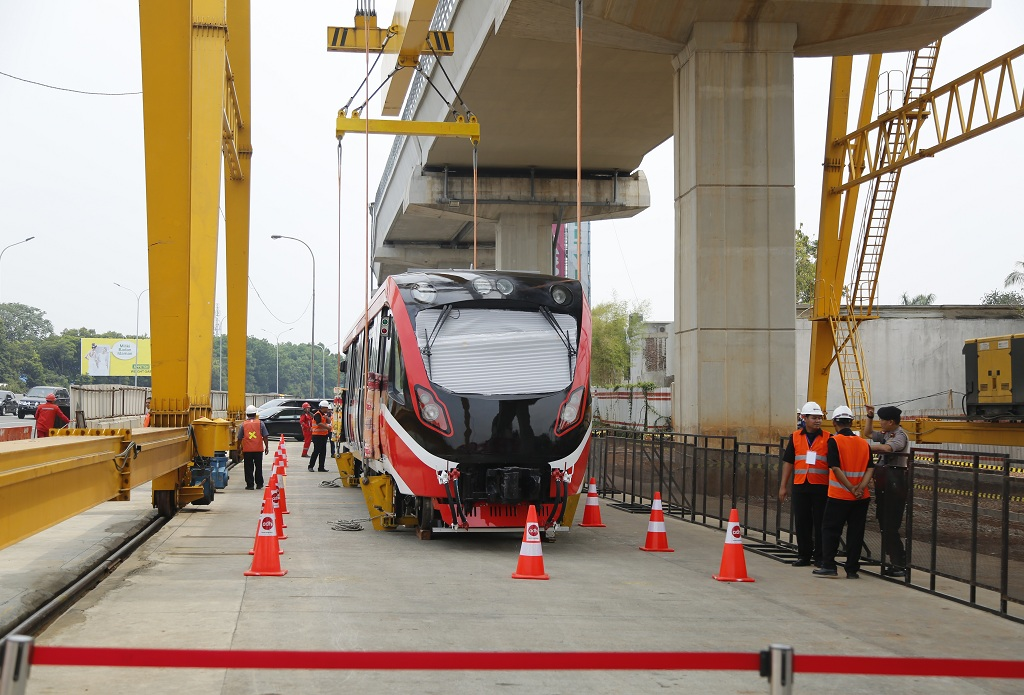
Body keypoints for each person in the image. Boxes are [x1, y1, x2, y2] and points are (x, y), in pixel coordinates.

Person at [814, 405, 874, 579]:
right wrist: (860, 488)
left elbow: (835, 467)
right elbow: (870, 468)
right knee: (856, 533)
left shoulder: (834, 441)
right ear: (851, 422)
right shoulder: (863, 442)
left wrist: (850, 488)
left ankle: (829, 565)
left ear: (834, 423)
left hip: (839, 495)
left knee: (831, 530)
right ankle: (852, 570)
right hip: (861, 498)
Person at [778, 402, 831, 567]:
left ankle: (821, 557)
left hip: (821, 486)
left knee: (821, 521)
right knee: (802, 521)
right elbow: (788, 462)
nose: (817, 421)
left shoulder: (829, 438)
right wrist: (783, 486)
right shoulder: (795, 437)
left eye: (819, 418)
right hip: (801, 484)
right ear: (804, 418)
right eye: (814, 418)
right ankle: (804, 555)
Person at [864, 404, 911, 578]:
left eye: (882, 420)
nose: (880, 423)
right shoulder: (887, 433)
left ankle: (900, 563)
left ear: (891, 421)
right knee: (885, 524)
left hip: (895, 482)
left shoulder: (900, 436)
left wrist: (861, 448)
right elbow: (868, 433)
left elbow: (887, 448)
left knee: (891, 525)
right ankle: (894, 561)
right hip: (886, 482)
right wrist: (869, 416)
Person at [237, 405, 270, 490]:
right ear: (255, 414)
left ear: (247, 415)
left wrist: (238, 448)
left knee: (248, 467)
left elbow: (239, 438)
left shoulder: (243, 424)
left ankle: (250, 485)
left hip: (247, 450)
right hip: (258, 449)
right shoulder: (260, 423)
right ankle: (259, 484)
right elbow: (265, 436)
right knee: (258, 467)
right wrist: (266, 447)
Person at [309, 400, 331, 472]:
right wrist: (327, 428)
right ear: (323, 408)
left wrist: (327, 418)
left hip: (323, 436)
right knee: (316, 451)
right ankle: (311, 466)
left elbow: (328, 422)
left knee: (323, 452)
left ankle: (321, 467)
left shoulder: (323, 414)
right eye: (326, 408)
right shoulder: (317, 414)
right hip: (317, 436)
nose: (327, 409)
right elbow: (318, 423)